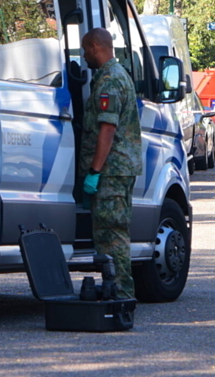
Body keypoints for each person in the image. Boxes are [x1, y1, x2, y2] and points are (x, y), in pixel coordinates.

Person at [79, 27, 142, 300]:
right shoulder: (118, 75)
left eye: (84, 50)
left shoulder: (110, 81)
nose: (83, 56)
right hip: (119, 170)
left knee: (112, 235)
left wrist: (94, 171)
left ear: (95, 46)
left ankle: (120, 294)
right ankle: (116, 291)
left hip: (111, 171)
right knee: (113, 232)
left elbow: (107, 129)